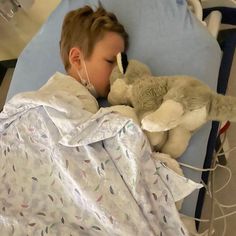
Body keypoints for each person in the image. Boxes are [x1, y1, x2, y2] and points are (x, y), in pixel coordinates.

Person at [59, 4, 128, 100]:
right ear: (77, 59)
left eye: (121, 64)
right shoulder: (58, 96)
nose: (119, 72)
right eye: (110, 61)